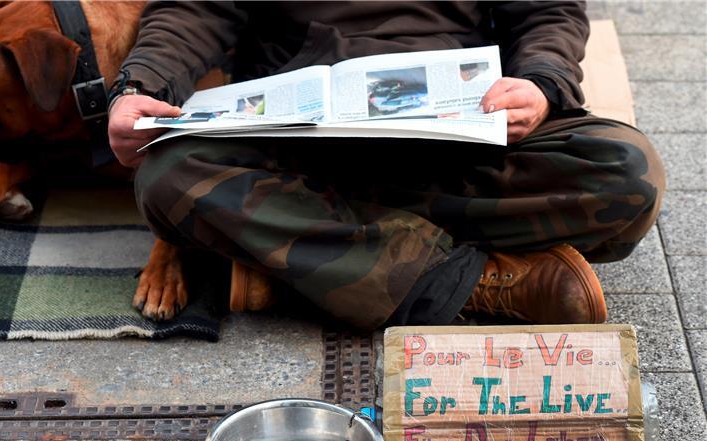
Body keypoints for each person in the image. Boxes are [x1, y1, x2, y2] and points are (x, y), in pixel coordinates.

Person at [107, 1, 665, 329]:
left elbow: (548, 10)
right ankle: (478, 284)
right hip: (303, 145)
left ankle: (304, 261)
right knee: (166, 175)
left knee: (626, 172)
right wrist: (140, 87)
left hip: (457, 134)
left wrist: (542, 83)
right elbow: (193, 9)